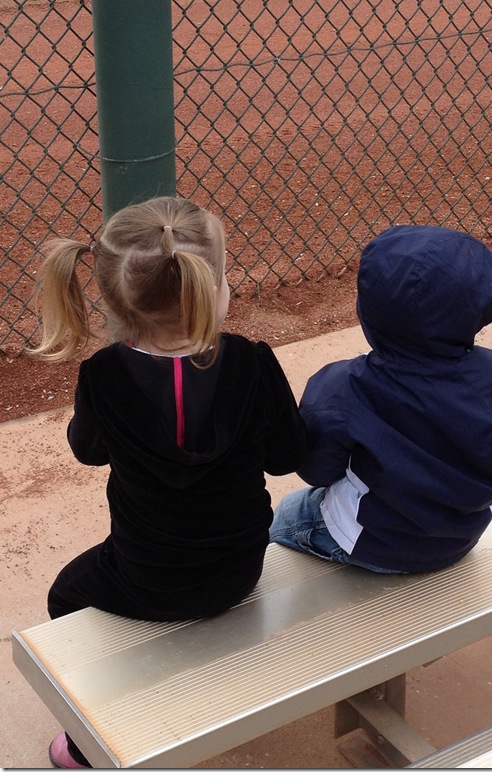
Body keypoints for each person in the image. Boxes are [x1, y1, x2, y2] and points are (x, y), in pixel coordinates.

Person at [30, 196, 308, 768]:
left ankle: (87, 744)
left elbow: (87, 451)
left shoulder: (103, 376)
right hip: (240, 571)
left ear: (117, 302)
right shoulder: (253, 362)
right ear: (213, 289)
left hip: (145, 578)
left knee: (65, 595)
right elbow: (287, 458)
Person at [270, 224, 492, 576]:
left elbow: (316, 470)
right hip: (459, 537)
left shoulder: (344, 386)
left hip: (369, 541)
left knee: (287, 513)